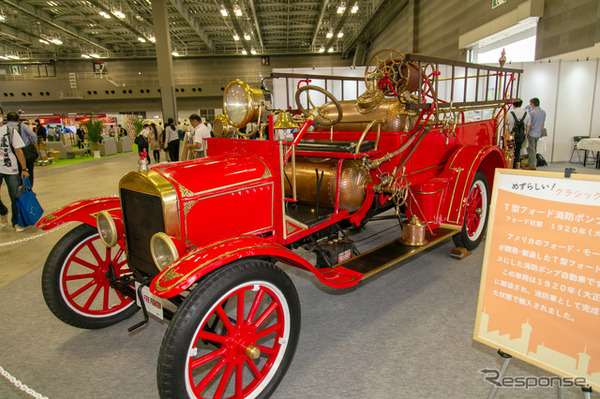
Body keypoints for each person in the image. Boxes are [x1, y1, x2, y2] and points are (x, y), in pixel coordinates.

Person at [0, 107, 30, 232]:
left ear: (2, 115)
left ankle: (16, 222)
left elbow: (18, 151)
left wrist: (24, 168)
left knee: (14, 196)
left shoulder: (10, 131)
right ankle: (3, 211)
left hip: (10, 168)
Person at [6, 111, 38, 186]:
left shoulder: (5, 128)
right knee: (29, 170)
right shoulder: (22, 126)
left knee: (17, 171)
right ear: (18, 119)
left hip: (12, 152)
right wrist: (31, 142)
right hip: (25, 151)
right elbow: (33, 135)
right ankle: (29, 188)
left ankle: (20, 188)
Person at [524, 97, 546, 170]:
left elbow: (529, 124)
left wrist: (526, 134)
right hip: (538, 133)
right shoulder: (543, 112)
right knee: (534, 149)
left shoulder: (532, 113)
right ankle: (531, 163)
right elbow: (543, 123)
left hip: (532, 133)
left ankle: (532, 165)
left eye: (530, 104)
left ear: (533, 104)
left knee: (531, 150)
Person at [507, 99, 529, 169]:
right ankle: (516, 166)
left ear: (513, 105)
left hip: (511, 136)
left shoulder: (509, 114)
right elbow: (528, 125)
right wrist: (526, 135)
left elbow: (506, 126)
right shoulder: (526, 114)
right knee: (518, 151)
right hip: (521, 136)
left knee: (510, 151)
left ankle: (510, 165)